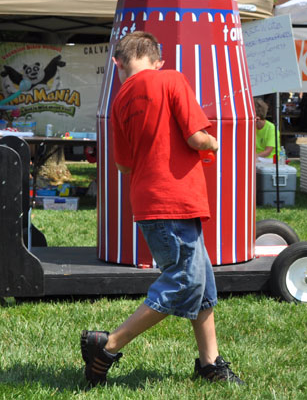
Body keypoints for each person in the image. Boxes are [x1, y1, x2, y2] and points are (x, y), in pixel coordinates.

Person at [80, 31, 243, 387]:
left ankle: (210, 363)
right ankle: (107, 346)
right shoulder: (171, 78)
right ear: (157, 61)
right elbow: (196, 137)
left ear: (118, 64)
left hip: (149, 202)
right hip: (177, 199)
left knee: (202, 283)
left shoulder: (119, 102)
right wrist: (214, 141)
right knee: (184, 280)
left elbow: (123, 166)